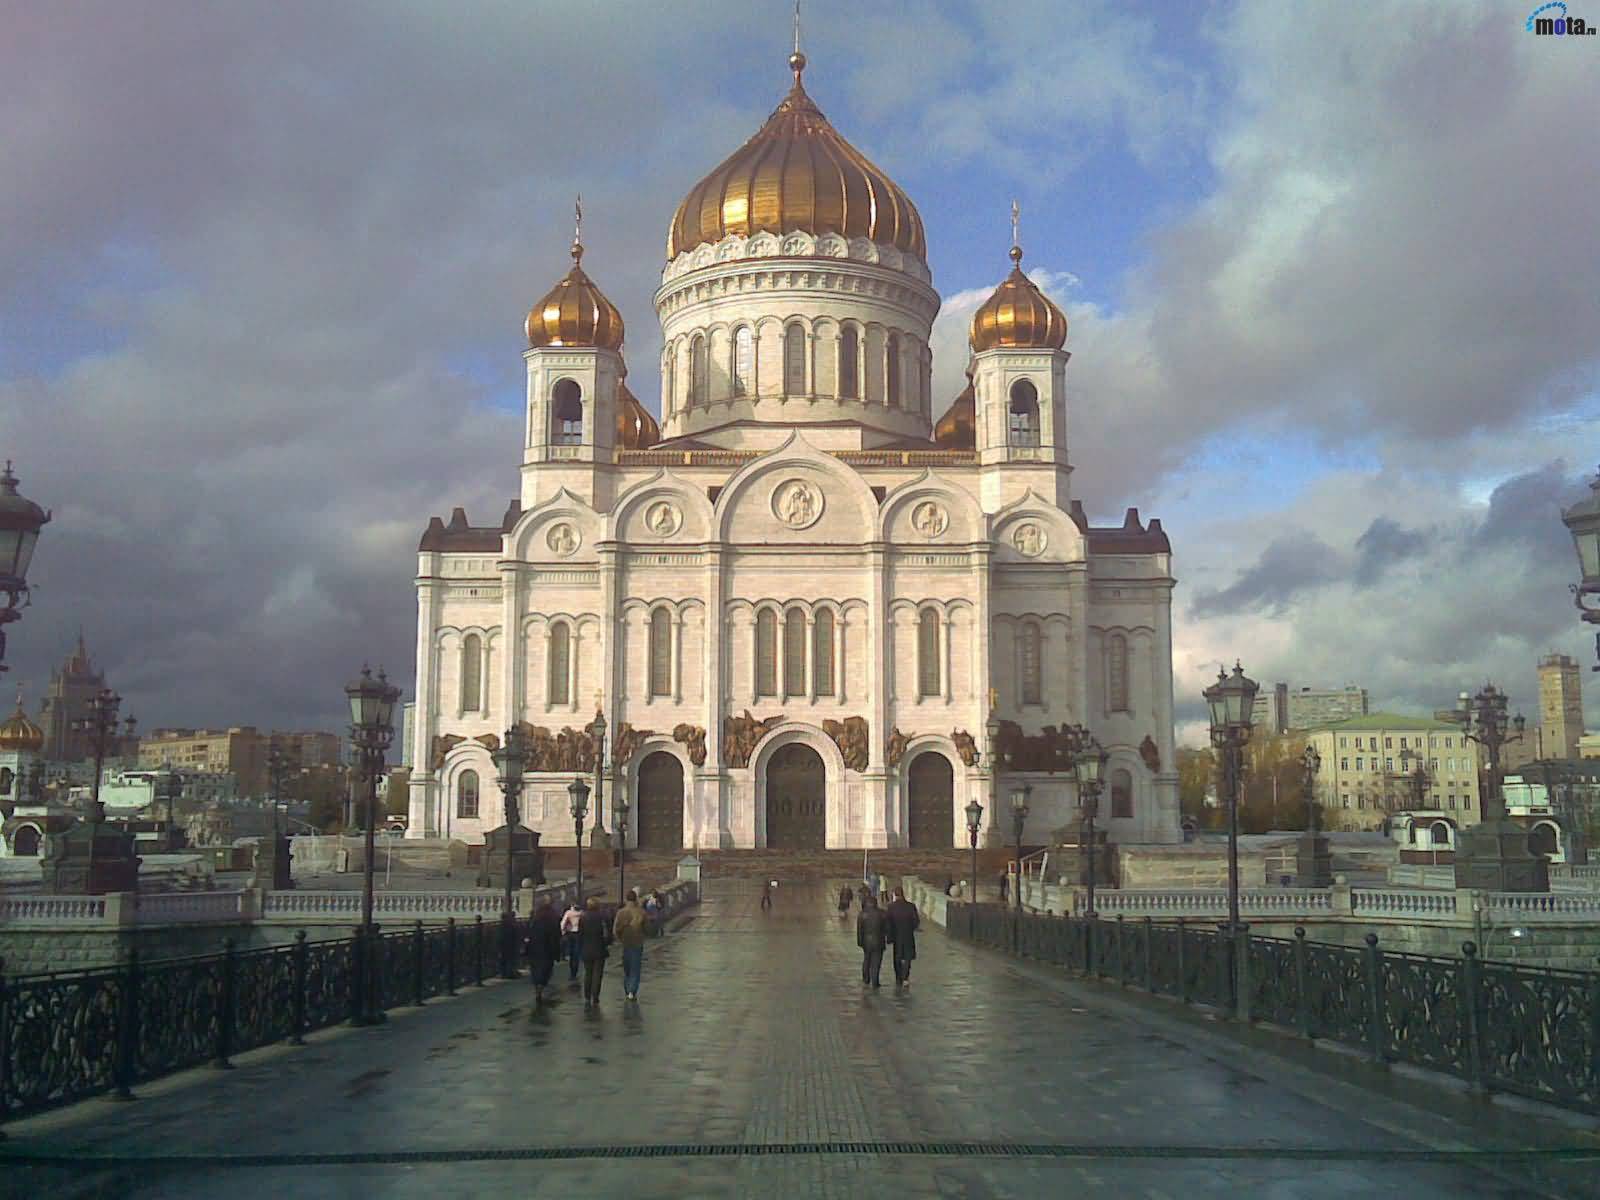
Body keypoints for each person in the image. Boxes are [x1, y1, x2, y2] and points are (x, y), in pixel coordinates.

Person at [523, 899, 562, 1004]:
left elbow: (528, 935)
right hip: (547, 950)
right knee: (546, 970)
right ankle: (541, 987)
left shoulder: (534, 920)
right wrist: (557, 953)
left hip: (534, 949)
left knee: (535, 969)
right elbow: (557, 938)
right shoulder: (553, 921)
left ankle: (537, 988)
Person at [612, 889, 648, 1001]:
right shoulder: (641, 912)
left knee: (627, 967)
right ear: (635, 899)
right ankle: (632, 991)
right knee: (635, 968)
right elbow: (647, 928)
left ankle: (628, 988)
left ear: (626, 899)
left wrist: (619, 939)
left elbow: (615, 930)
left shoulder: (621, 912)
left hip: (625, 942)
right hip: (638, 942)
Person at [577, 895, 611, 1009]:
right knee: (597, 974)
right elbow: (608, 934)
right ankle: (595, 996)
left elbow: (580, 934)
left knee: (588, 973)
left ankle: (587, 996)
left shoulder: (583, 918)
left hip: (586, 949)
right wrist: (607, 943)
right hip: (599, 948)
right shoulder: (602, 917)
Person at [885, 886, 921, 988]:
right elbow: (916, 922)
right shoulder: (911, 906)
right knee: (908, 957)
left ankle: (898, 977)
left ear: (895, 895)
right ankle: (905, 977)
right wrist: (911, 928)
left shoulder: (891, 907)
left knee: (897, 957)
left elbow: (888, 923)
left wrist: (889, 935)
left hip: (896, 936)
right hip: (908, 935)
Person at [856, 893, 888, 988]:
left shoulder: (862, 914)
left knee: (866, 960)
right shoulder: (882, 913)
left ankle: (866, 979)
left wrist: (860, 942)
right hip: (879, 940)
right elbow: (886, 928)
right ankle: (875, 981)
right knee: (876, 962)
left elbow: (859, 930)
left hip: (866, 941)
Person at [560, 898, 583, 982]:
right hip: (579, 934)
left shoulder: (568, 913)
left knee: (572, 953)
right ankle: (574, 971)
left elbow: (562, 924)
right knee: (576, 954)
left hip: (570, 934)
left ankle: (572, 972)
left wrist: (563, 932)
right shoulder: (582, 913)